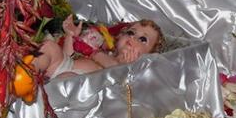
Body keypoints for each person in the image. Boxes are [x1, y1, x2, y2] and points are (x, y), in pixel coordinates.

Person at [32, 15, 165, 79]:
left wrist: (124, 67)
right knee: (50, 46)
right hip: (65, 65)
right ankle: (24, 75)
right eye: (130, 33)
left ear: (149, 56)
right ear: (119, 37)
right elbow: (67, 55)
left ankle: (43, 96)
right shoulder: (106, 53)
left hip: (80, 85)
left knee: (69, 77)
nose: (133, 38)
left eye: (143, 39)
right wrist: (70, 37)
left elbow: (114, 76)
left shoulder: (131, 71)